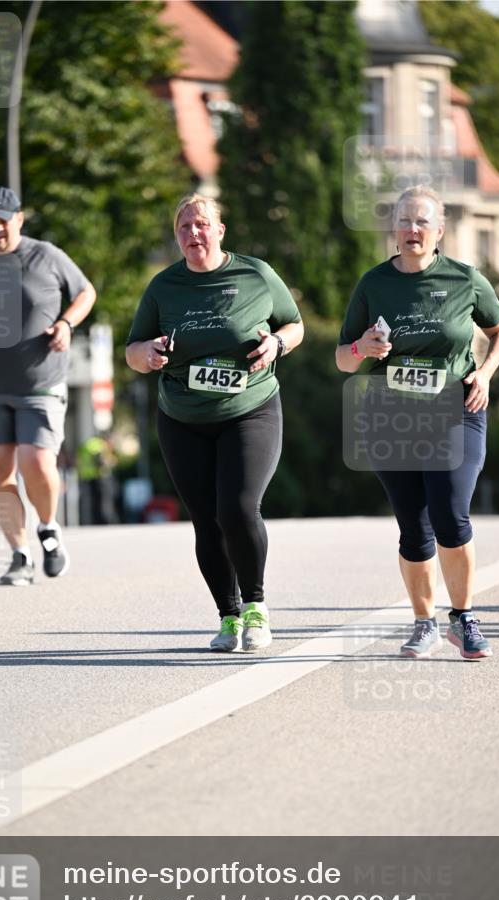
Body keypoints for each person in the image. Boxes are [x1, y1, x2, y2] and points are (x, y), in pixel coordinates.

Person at [336, 185, 499, 660]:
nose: (412, 229)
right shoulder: (373, 284)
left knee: (450, 513)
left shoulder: (464, 279)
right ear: (393, 229)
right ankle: (423, 624)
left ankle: (465, 618)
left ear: (439, 231)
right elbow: (343, 359)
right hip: (391, 417)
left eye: (422, 222)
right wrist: (362, 348)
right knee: (414, 527)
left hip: (456, 409)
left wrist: (486, 372)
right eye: (404, 221)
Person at [126, 194, 304, 652]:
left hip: (250, 409)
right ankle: (228, 616)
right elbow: (133, 351)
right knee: (206, 520)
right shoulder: (164, 286)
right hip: (182, 418)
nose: (193, 233)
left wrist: (277, 345)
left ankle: (256, 607)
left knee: (238, 508)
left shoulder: (255, 274)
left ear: (220, 231)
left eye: (202, 224)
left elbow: (294, 325)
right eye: (184, 227)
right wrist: (148, 355)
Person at [0, 187, 96, 585]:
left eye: (4, 221)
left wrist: (66, 323)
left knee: (37, 461)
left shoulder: (45, 256)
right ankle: (19, 555)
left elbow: (86, 292)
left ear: (19, 220)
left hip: (40, 383)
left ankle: (48, 527)